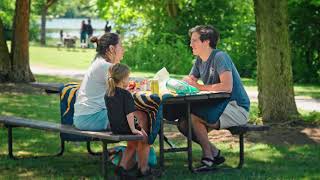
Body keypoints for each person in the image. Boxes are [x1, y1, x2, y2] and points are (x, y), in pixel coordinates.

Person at [164, 25, 250, 171]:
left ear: (206, 41)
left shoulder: (220, 57)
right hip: (219, 105)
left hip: (236, 107)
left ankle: (208, 158)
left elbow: (227, 87)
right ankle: (214, 153)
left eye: (194, 41)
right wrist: (183, 82)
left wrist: (199, 87)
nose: (190, 44)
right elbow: (190, 79)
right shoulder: (199, 60)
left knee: (194, 117)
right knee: (184, 124)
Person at [105, 64, 154, 177]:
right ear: (123, 79)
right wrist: (134, 129)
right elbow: (129, 115)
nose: (129, 79)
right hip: (125, 128)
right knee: (146, 137)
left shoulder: (108, 93)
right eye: (128, 77)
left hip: (114, 128)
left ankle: (122, 168)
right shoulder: (126, 94)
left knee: (141, 127)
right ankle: (144, 169)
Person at [73, 32, 124, 131]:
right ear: (111, 49)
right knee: (136, 115)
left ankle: (136, 147)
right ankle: (139, 147)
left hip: (84, 117)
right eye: (121, 46)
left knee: (133, 116)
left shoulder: (98, 62)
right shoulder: (106, 66)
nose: (123, 49)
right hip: (91, 118)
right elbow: (122, 93)